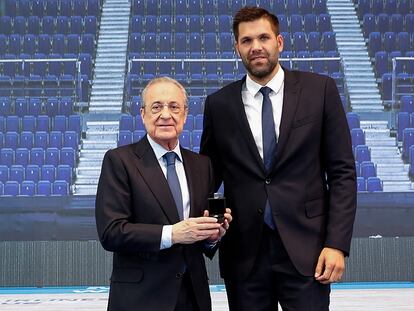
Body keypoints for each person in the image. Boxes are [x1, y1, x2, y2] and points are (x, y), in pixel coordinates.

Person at [200, 7, 357, 311]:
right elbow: (207, 176)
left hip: (308, 251)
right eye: (246, 41)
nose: (255, 46)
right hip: (244, 255)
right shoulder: (218, 104)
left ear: (279, 42)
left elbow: (342, 174)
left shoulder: (319, 90)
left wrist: (336, 244)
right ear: (237, 48)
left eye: (263, 37)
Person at [96, 77, 232, 311]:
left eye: (174, 107)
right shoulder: (119, 161)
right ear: (143, 114)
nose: (166, 115)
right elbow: (111, 232)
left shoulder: (202, 165)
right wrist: (173, 233)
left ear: (185, 114)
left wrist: (211, 236)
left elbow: (197, 237)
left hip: (193, 296)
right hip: (140, 298)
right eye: (156, 107)